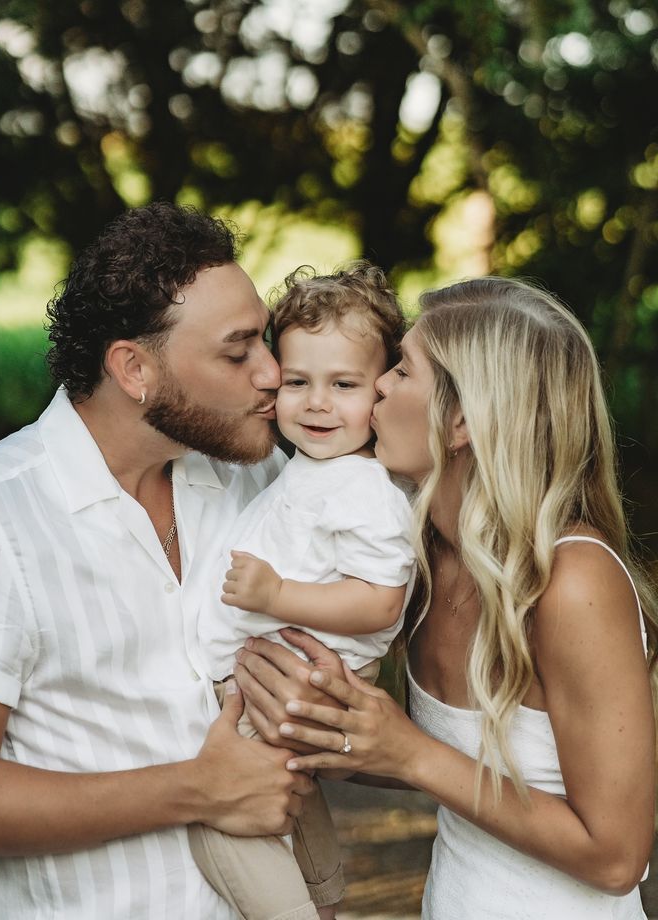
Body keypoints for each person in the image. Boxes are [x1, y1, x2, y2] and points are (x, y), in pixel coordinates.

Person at [0, 201, 316, 920]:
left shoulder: (254, 478)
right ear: (133, 368)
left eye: (267, 340)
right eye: (238, 353)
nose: (272, 374)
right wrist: (200, 787)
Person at [233, 277, 657, 919]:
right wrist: (326, 730)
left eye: (401, 370)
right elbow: (447, 766)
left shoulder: (572, 581)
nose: (376, 385)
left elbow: (616, 855)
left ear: (460, 420)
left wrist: (406, 749)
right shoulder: (424, 561)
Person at [188, 265, 415, 920]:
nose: (317, 403)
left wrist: (277, 594)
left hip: (306, 677)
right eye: (298, 382)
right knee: (285, 793)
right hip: (282, 673)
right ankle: (324, 898)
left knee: (221, 820)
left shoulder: (363, 487)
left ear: (382, 390)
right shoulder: (310, 468)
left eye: (343, 385)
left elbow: (379, 601)